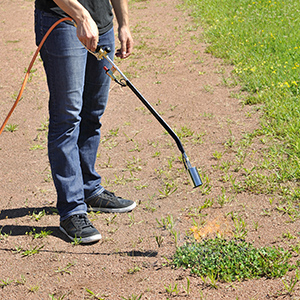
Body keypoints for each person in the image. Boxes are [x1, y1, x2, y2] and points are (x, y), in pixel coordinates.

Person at [34, 0, 136, 244]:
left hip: (102, 24)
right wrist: (80, 15)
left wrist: (124, 24)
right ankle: (72, 210)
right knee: (67, 117)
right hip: (63, 21)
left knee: (93, 112)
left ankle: (90, 189)